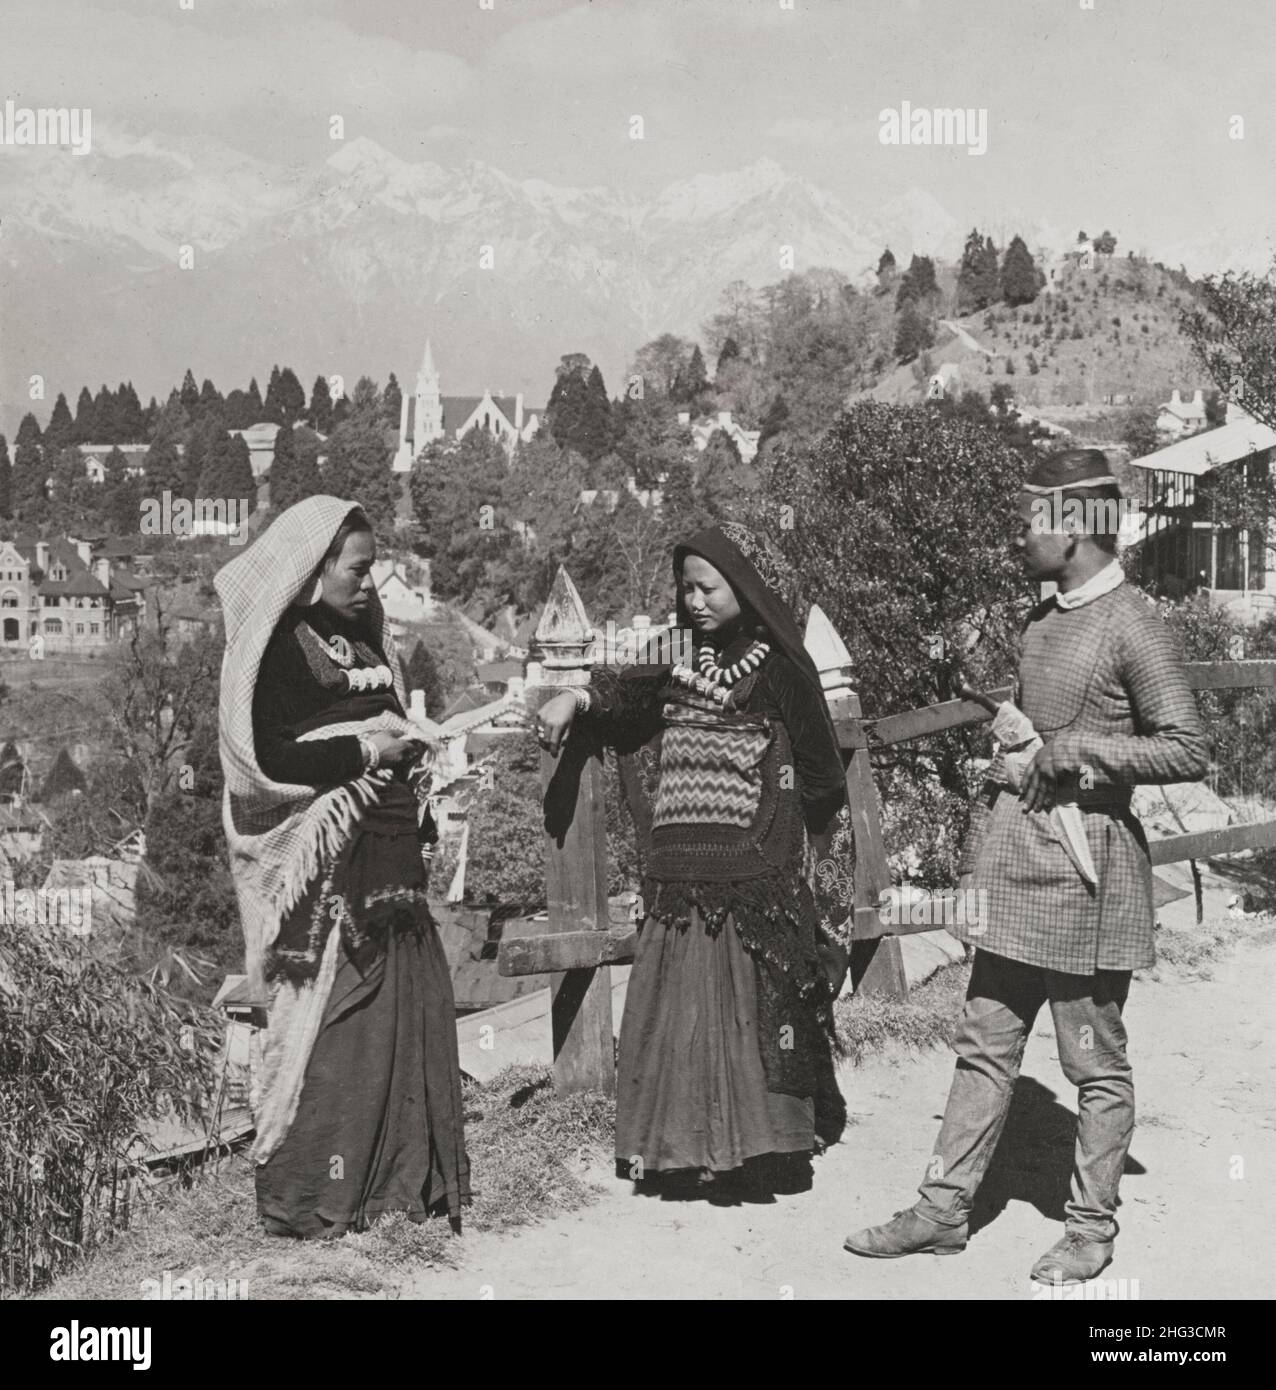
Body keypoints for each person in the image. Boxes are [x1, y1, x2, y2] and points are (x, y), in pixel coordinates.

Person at [844, 449, 1208, 1283]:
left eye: (1030, 518)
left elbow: (1187, 748)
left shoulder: (1135, 625)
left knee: (1092, 1061)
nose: (1017, 535)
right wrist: (1018, 747)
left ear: (1077, 526)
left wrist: (1074, 752)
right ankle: (942, 1211)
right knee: (983, 1043)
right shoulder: (1042, 621)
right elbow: (1042, 742)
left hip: (1087, 878)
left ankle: (1089, 1229)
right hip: (1019, 871)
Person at [537, 521, 855, 1195]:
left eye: (706, 587)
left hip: (755, 867)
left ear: (740, 586)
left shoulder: (779, 668)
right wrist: (576, 697)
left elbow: (823, 771)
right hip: (681, 865)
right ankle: (678, 1145)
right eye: (685, 589)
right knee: (677, 1005)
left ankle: (761, 1147)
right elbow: (624, 699)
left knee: (755, 1001)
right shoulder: (672, 651)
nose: (694, 602)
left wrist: (798, 843)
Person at [215, 496, 470, 1238]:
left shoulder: (362, 639)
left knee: (398, 1001)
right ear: (312, 569)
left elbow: (382, 719)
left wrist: (408, 748)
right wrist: (365, 751)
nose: (367, 586)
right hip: (326, 858)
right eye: (355, 571)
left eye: (370, 571)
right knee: (333, 1009)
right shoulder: (277, 651)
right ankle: (314, 1197)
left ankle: (393, 1187)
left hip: (387, 843)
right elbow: (264, 760)